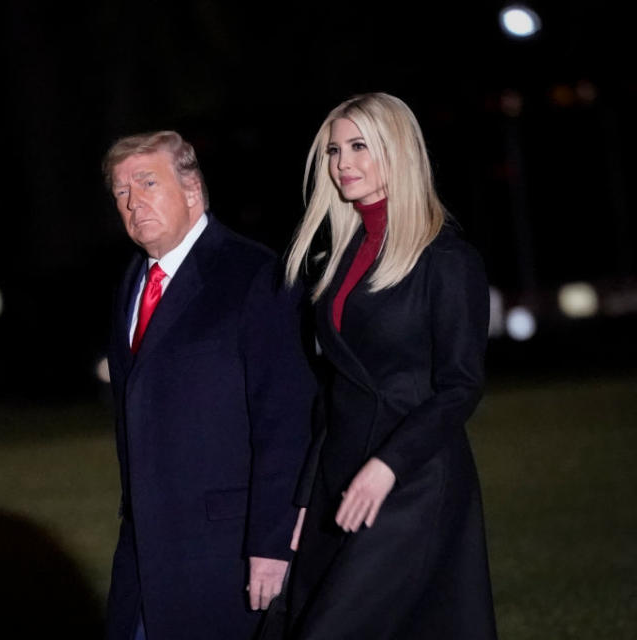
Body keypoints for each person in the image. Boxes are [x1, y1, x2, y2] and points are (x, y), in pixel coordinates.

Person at [283, 93, 498, 639]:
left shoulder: (447, 260)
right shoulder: (336, 259)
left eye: (359, 147)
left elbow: (460, 385)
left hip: (414, 480)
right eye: (334, 150)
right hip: (341, 479)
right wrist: (306, 494)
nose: (342, 163)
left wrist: (389, 465)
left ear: (397, 152)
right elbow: (333, 390)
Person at [101, 131, 316, 640]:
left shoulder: (253, 275)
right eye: (121, 191)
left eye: (147, 182)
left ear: (192, 190)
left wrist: (272, 541)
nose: (133, 202)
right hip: (143, 553)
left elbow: (285, 419)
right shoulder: (132, 281)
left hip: (227, 553)